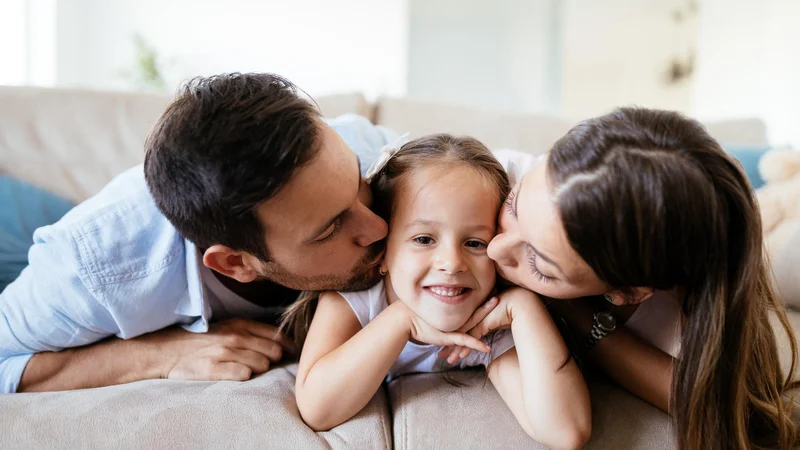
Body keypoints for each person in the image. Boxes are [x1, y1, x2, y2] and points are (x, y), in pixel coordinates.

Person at [0, 73, 396, 393]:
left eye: (357, 180)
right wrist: (156, 356)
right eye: (329, 229)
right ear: (234, 262)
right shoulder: (91, 265)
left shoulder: (375, 153)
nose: (379, 227)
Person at [451, 107, 800, 449]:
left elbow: (727, 410)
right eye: (513, 207)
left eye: (541, 266)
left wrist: (568, 313)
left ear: (628, 293)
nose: (495, 249)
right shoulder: (504, 176)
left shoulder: (678, 317)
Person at [291, 134, 591, 450]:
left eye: (475, 243)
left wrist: (525, 308)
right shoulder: (355, 301)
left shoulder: (486, 321)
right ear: (383, 253)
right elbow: (317, 410)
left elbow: (564, 431)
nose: (451, 263)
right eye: (424, 239)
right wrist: (400, 320)